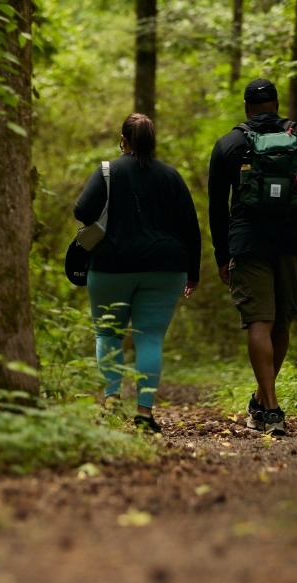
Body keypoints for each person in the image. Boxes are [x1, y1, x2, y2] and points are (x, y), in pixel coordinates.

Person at [207, 78, 297, 436]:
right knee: (281, 322)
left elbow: (217, 207)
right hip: (292, 241)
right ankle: (268, 404)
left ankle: (269, 406)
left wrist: (222, 255)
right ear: (276, 104)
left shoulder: (229, 144)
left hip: (248, 244)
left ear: (247, 107)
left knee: (258, 321)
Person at [74, 113, 201, 433]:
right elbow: (191, 228)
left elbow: (82, 212)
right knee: (150, 339)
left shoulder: (108, 172)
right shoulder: (171, 176)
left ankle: (112, 403)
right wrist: (193, 272)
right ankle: (144, 415)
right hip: (165, 267)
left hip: (111, 265)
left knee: (108, 334)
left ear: (124, 140)